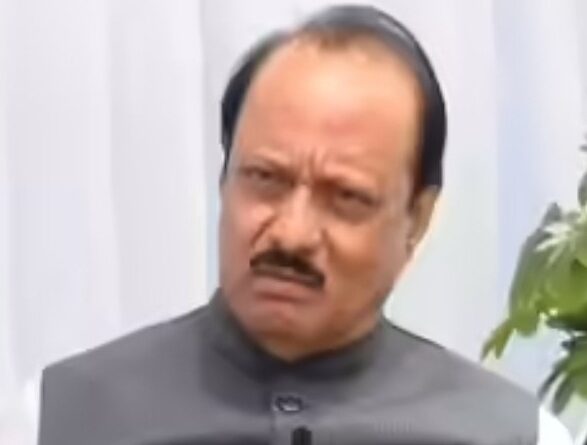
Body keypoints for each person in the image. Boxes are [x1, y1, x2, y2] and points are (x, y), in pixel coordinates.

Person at [35, 4, 572, 444]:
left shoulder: (515, 436)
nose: (290, 235)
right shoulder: (54, 419)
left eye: (347, 198)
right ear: (225, 179)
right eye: (265, 179)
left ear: (417, 219)